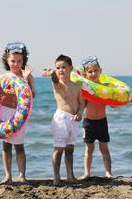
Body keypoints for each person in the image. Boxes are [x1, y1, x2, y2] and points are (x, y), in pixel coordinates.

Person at [42, 54, 85, 185]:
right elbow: (55, 79)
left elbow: (81, 103)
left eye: (64, 67)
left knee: (70, 149)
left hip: (73, 119)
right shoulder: (58, 84)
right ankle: (56, 177)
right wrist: (51, 74)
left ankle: (70, 176)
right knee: (59, 149)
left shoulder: (77, 85)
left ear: (70, 68)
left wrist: (80, 113)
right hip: (61, 118)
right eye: (58, 68)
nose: (61, 70)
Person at [0, 42, 35, 184]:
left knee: (19, 145)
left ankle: (22, 175)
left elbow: (32, 95)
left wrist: (25, 79)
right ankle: (8, 176)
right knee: (6, 145)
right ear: (7, 60)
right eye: (13, 61)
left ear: (24, 61)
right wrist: (2, 92)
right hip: (5, 112)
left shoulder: (27, 76)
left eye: (19, 61)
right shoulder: (2, 77)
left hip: (20, 113)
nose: (16, 64)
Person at [77, 56, 113, 180]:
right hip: (89, 122)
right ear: (86, 74)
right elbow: (83, 104)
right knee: (89, 149)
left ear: (100, 70)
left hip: (102, 121)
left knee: (104, 148)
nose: (93, 73)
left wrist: (119, 102)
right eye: (90, 71)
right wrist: (79, 113)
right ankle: (87, 173)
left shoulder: (104, 88)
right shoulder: (87, 88)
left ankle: (108, 172)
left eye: (95, 70)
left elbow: (112, 104)